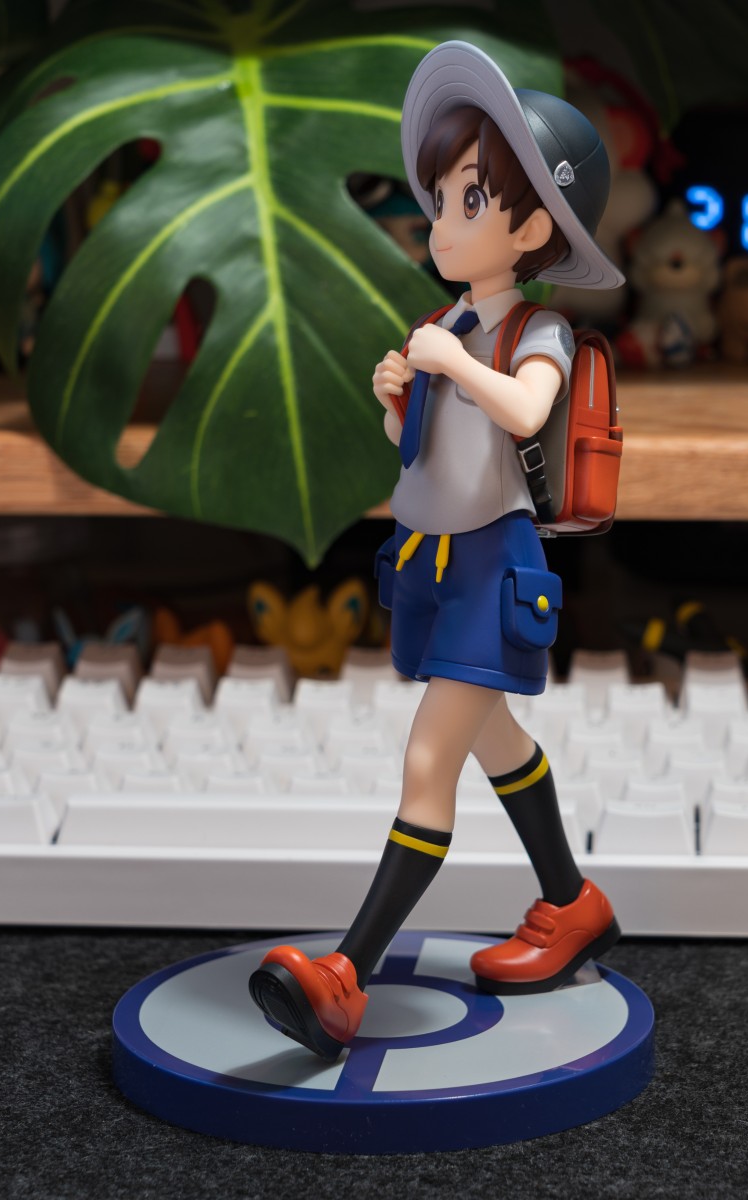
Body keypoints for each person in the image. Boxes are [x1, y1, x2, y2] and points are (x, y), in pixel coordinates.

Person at [248, 41, 625, 1060]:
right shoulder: (444, 320)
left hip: (491, 565)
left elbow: (524, 413)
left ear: (532, 230)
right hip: (428, 563)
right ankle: (573, 905)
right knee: (496, 739)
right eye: (444, 198)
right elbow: (423, 449)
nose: (440, 222)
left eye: (470, 201)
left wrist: (454, 363)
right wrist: (396, 401)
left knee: (429, 761)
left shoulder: (533, 332)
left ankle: (345, 976)